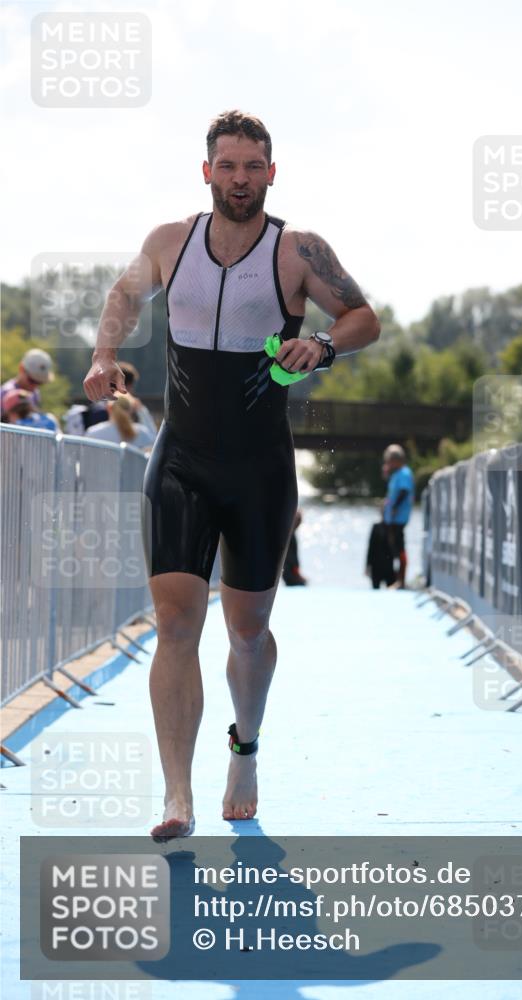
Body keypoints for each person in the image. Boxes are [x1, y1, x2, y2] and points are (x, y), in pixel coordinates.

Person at [82, 110, 380, 837]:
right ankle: (176, 795)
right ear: (206, 171)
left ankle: (244, 750)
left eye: (252, 167)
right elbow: (123, 295)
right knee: (175, 622)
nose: (239, 179)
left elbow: (363, 317)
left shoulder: (297, 249)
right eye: (227, 165)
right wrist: (103, 354)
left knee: (247, 632)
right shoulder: (169, 241)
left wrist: (322, 345)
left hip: (259, 468)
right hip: (181, 460)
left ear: (270, 173)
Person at [382, 444, 415, 590]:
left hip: (399, 517)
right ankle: (398, 579)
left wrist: (395, 507)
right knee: (394, 547)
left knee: (400, 547)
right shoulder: (397, 473)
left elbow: (404, 491)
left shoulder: (404, 473)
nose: (388, 463)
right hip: (392, 518)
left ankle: (402, 580)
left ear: (396, 460)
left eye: (389, 461)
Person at [85, 394, 155, 451]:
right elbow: (154, 444)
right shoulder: (142, 432)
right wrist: (142, 410)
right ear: (131, 410)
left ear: (109, 408)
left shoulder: (92, 433)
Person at [1, 348, 55, 416]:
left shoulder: (35, 393)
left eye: (39, 383)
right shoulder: (5, 394)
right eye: (32, 380)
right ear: (21, 368)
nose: (34, 386)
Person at [282, 508, 307, 586]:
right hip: (290, 573)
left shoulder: (288, 535)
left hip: (287, 572)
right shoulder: (290, 536)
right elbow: (292, 558)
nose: (299, 522)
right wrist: (296, 572)